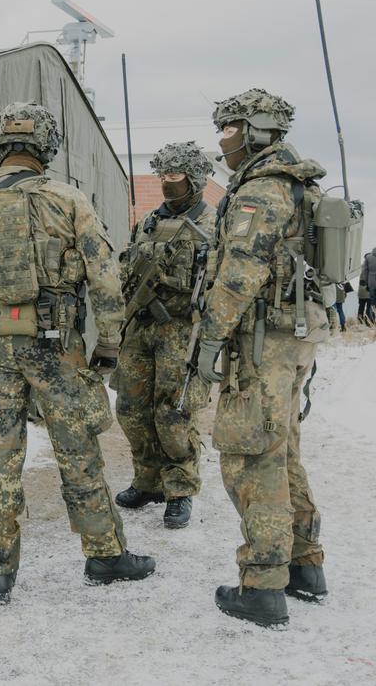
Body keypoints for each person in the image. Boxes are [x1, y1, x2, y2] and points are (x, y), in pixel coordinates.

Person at [0, 102, 155, 603]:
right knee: (78, 453)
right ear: (46, 147)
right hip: (58, 348)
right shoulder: (67, 199)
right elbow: (105, 277)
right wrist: (111, 342)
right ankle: (104, 555)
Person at [197, 89, 330, 628]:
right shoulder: (295, 183)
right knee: (283, 450)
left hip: (263, 343)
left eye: (228, 129)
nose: (222, 140)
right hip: (290, 338)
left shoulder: (263, 190)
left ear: (255, 129)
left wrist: (208, 338)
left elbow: (241, 271)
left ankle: (262, 585)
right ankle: (304, 566)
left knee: (253, 458)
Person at [111, 141, 216, 529]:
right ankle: (148, 480)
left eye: (174, 176)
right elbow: (128, 266)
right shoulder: (149, 222)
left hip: (182, 330)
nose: (166, 183)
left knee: (173, 413)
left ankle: (180, 489)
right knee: (130, 409)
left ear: (194, 178)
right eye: (163, 176)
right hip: (141, 327)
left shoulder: (211, 224)